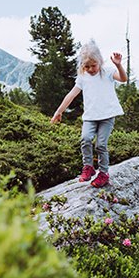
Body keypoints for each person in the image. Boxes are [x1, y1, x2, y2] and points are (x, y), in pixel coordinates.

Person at [51, 40, 127, 188]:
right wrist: (59, 111)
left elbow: (123, 79)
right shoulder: (83, 77)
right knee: (85, 139)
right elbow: (71, 95)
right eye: (87, 66)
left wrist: (118, 64)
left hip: (107, 116)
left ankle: (103, 174)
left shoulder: (108, 72)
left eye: (94, 65)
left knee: (101, 145)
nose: (91, 69)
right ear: (82, 66)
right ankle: (89, 167)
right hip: (90, 117)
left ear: (100, 62)